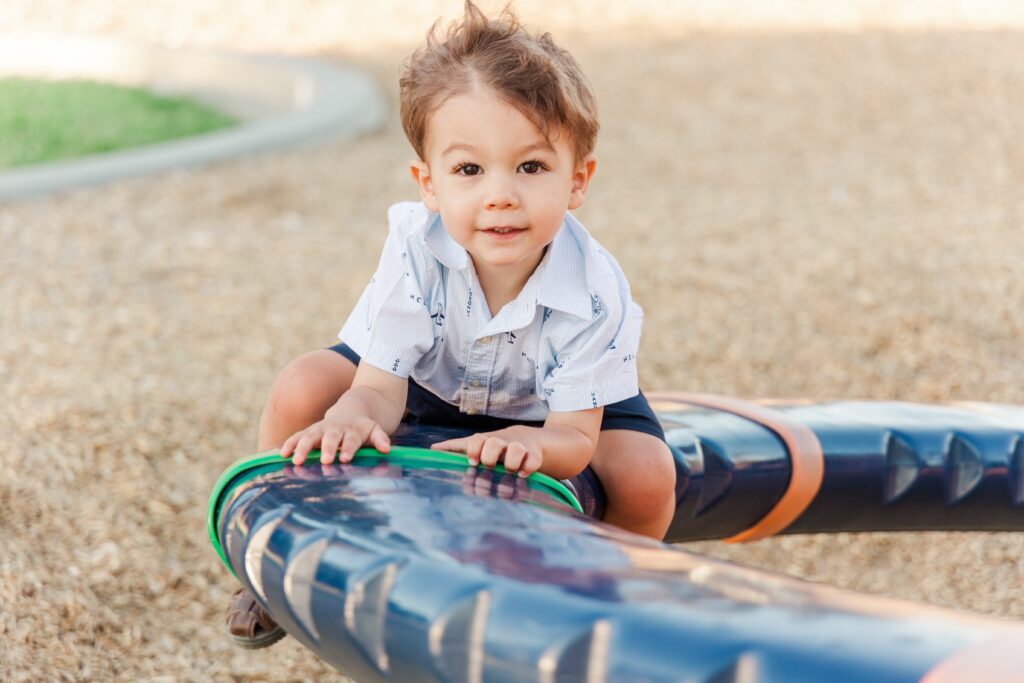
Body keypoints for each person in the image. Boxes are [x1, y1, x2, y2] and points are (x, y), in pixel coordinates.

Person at [225, 0, 677, 648]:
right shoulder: (416, 246)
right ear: (428, 184)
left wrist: (536, 446)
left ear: (577, 180)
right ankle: (270, 547)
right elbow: (380, 387)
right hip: (429, 382)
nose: (500, 194)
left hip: (550, 406)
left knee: (645, 472)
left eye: (530, 167)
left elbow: (574, 436)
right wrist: (356, 414)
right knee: (303, 384)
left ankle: (615, 601)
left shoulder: (593, 288)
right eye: (469, 170)